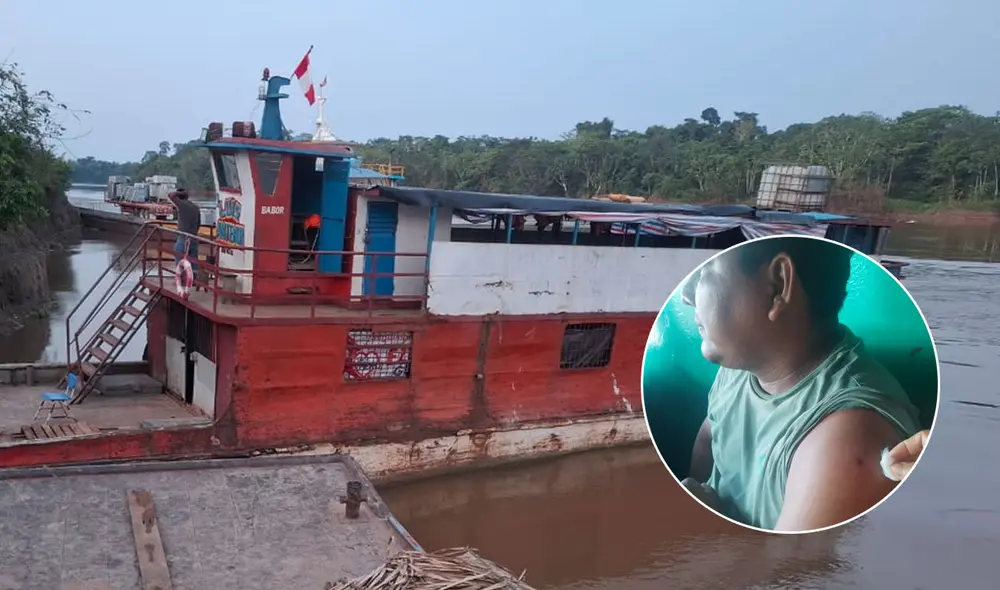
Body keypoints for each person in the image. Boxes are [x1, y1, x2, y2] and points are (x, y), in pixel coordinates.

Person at [681, 236, 922, 532]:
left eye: (706, 272)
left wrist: (703, 527)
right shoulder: (740, 364)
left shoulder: (847, 439)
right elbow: (709, 437)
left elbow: (791, 577)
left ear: (777, 286)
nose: (686, 295)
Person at [166, 188, 201, 271]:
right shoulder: (195, 207)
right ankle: (194, 280)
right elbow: (198, 224)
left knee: (178, 257)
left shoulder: (181, 204)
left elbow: (170, 195)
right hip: (194, 238)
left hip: (183, 238)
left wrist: (179, 193)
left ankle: (180, 277)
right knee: (193, 263)